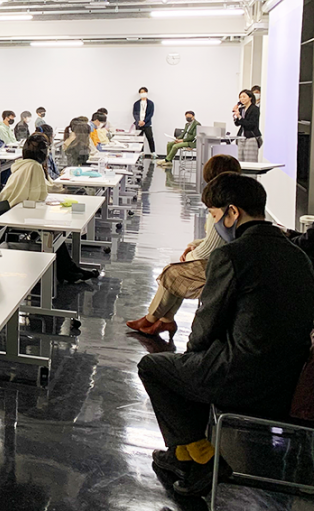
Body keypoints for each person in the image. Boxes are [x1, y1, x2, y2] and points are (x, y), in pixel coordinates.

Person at [138, 173, 314, 496]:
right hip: (289, 382)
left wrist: (192, 356)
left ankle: (202, 459)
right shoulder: (298, 256)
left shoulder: (232, 255)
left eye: (214, 214)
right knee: (194, 367)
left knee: (155, 367)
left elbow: (205, 328)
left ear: (233, 213)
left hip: (242, 380)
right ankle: (182, 455)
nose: (214, 222)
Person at [128, 155, 241, 336]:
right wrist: (193, 245)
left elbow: (211, 248)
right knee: (177, 267)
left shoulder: (223, 206)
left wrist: (190, 255)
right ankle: (165, 320)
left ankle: (153, 318)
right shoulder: (234, 201)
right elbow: (215, 238)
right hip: (223, 259)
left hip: (220, 265)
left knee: (173, 271)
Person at [0, 134, 98, 283]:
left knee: (55, 232)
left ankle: (69, 270)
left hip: (11, 209)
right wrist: (64, 189)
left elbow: (40, 190)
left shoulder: (24, 164)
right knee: (54, 230)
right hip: (14, 214)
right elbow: (41, 193)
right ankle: (68, 271)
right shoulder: (34, 167)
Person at [233, 89, 261, 161]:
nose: (242, 99)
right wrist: (236, 116)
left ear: (250, 97)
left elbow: (251, 124)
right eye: (240, 97)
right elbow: (237, 123)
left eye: (244, 97)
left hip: (251, 137)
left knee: (250, 160)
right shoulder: (241, 109)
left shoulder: (254, 109)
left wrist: (239, 117)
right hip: (241, 137)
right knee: (240, 160)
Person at [133, 87, 156, 155]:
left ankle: (153, 152)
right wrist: (138, 121)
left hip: (147, 124)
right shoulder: (136, 103)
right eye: (141, 92)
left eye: (144, 92)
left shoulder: (150, 103)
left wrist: (144, 121)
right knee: (139, 139)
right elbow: (134, 113)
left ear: (146, 93)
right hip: (138, 124)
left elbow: (150, 114)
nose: (142, 93)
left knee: (150, 138)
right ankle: (141, 152)